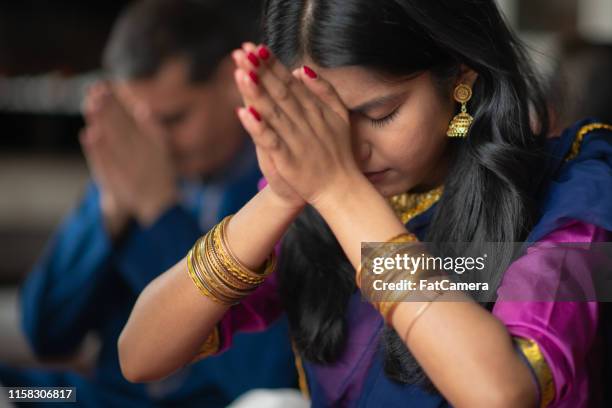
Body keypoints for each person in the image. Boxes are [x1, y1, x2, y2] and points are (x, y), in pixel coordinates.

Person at [118, 0, 612, 406]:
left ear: (462, 79)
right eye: (324, 119)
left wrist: (339, 192)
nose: (350, 151)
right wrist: (285, 197)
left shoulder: (580, 190)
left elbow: (501, 395)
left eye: (380, 114)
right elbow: (139, 355)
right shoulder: (315, 195)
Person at [0, 0, 297, 406]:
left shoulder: (276, 189)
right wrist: (109, 209)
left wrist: (159, 211)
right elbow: (45, 333)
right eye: (139, 123)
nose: (154, 144)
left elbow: (266, 381)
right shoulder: (137, 169)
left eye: (174, 119)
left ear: (233, 81)